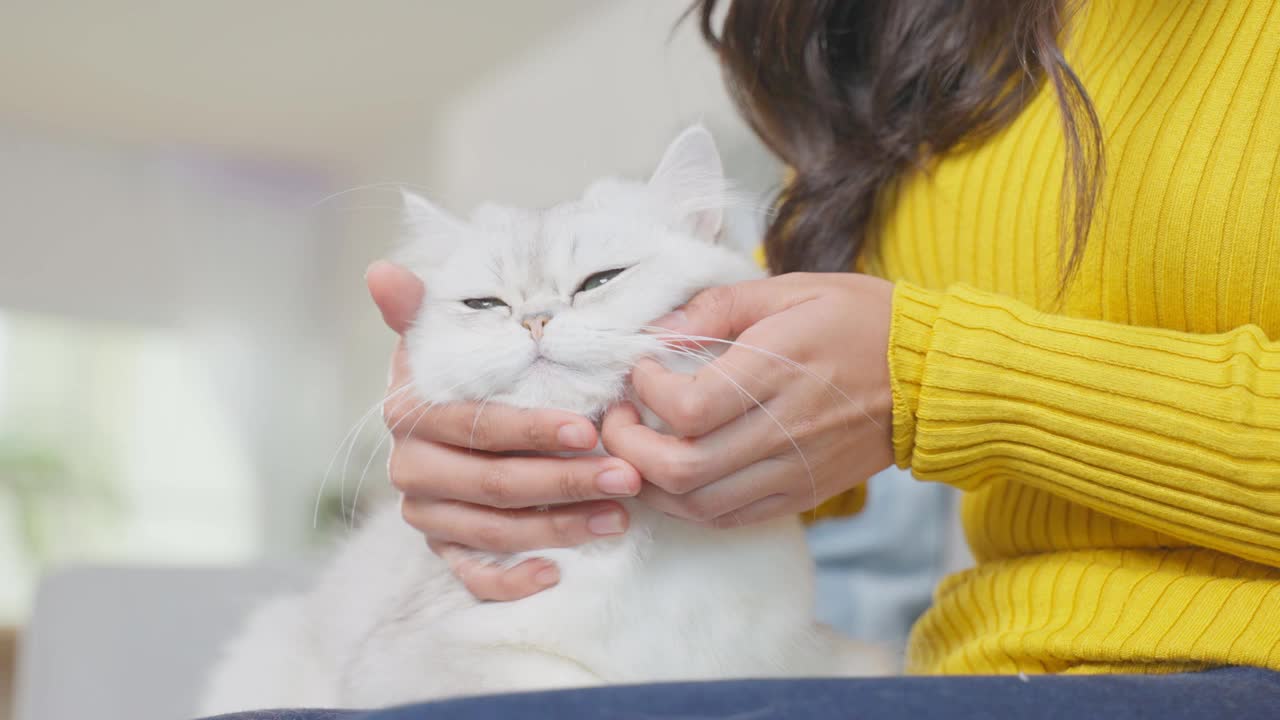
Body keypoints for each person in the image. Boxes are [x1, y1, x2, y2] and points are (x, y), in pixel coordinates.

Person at [367, 0, 1279, 682]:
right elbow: (791, 364)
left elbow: (897, 363)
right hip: (978, 676)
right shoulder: (926, 42)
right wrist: (499, 434)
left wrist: (940, 375)